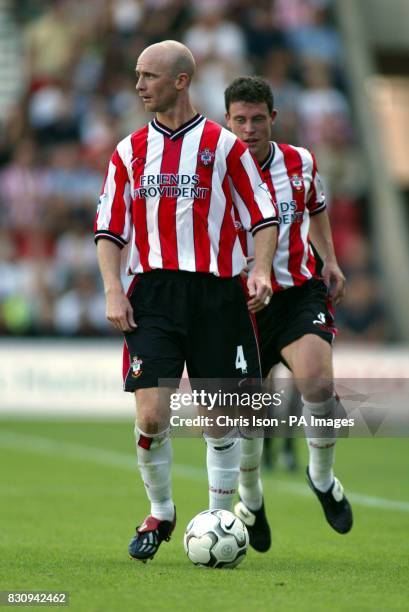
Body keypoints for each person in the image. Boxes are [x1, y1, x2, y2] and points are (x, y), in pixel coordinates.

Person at [94, 42, 278, 563]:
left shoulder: (225, 147)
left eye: (148, 75)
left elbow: (264, 215)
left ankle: (221, 516)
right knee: (152, 415)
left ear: (180, 81)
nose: (138, 84)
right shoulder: (127, 152)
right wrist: (112, 288)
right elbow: (109, 228)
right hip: (152, 293)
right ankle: (161, 511)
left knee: (220, 415)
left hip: (217, 292)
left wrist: (260, 268)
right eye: (137, 74)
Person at [224, 76, 353, 552]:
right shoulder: (215, 168)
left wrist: (331, 260)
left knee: (318, 383)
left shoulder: (300, 162)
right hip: (241, 304)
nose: (250, 129)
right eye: (240, 120)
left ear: (273, 118)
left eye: (258, 119)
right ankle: (251, 498)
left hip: (298, 293)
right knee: (247, 412)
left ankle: (321, 478)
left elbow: (316, 207)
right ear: (227, 121)